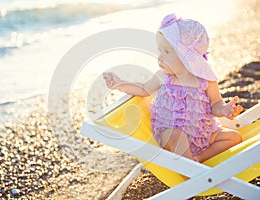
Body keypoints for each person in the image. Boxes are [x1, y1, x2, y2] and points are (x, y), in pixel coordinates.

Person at [103, 13, 243, 162]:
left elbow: (215, 104)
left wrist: (223, 109)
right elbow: (144, 89)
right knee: (176, 135)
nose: (160, 57)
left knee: (234, 137)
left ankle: (197, 159)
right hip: (170, 136)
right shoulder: (163, 77)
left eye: (167, 52)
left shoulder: (206, 80)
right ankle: (190, 169)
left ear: (186, 57)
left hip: (203, 135)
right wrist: (120, 84)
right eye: (160, 51)